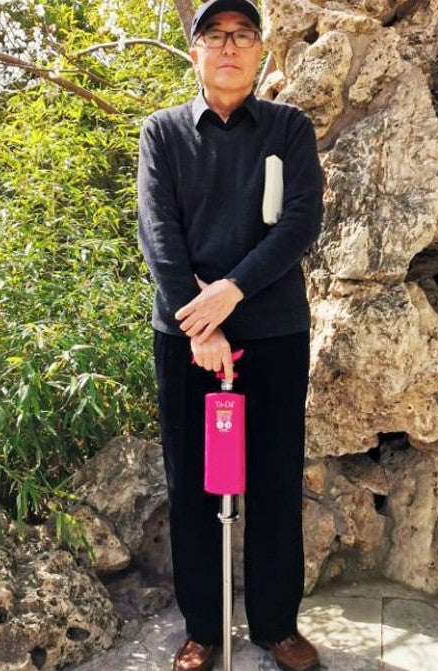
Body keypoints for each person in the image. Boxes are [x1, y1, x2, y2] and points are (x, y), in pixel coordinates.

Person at [136, 1, 324, 669]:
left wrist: (231, 291)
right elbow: (157, 232)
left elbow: (300, 221)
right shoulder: (163, 133)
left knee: (275, 478)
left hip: (272, 329)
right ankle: (202, 627)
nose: (228, 47)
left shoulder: (288, 127)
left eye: (242, 35)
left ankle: (276, 624)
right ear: (195, 53)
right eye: (214, 36)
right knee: (191, 482)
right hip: (186, 336)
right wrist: (199, 319)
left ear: (259, 52)